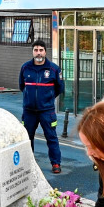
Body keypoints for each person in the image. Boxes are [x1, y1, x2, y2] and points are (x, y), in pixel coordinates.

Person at [19, 39, 65, 174]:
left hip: (47, 111)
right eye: (35, 50)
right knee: (27, 138)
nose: (38, 53)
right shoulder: (25, 68)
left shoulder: (54, 69)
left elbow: (59, 88)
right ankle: (29, 163)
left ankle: (56, 163)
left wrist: (47, 99)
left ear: (45, 51)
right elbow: (22, 86)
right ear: (32, 52)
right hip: (29, 112)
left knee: (51, 137)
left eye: (41, 50)